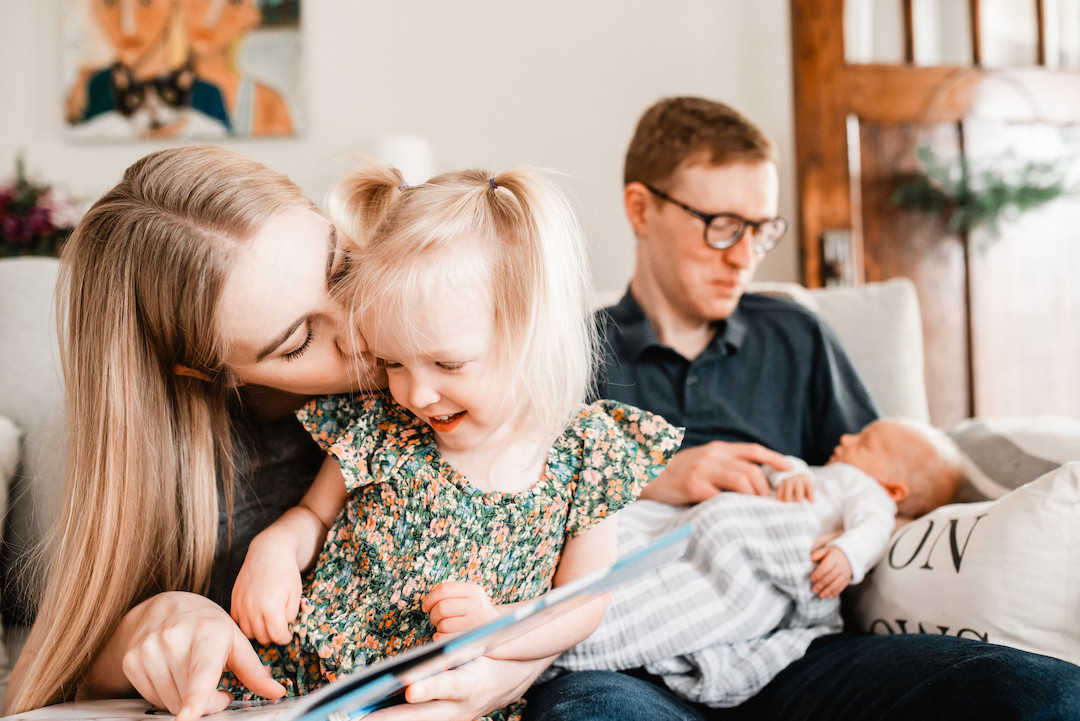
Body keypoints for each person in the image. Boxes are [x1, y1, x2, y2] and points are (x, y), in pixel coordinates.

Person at [526, 96, 1080, 720]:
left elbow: (892, 482)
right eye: (722, 225)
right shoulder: (565, 356)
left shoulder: (796, 335)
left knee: (1045, 693)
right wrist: (654, 479)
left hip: (801, 652)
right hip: (633, 661)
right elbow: (516, 525)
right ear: (641, 208)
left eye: (760, 229)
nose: (744, 255)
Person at [3, 146, 566, 721]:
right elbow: (62, 676)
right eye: (298, 341)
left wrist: (508, 670)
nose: (360, 327)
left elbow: (575, 557)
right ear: (210, 373)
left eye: (343, 268)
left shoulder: (471, 348)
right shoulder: (192, 486)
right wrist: (157, 622)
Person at [224, 164, 680, 720]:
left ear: (530, 331)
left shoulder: (585, 455)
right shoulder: (383, 423)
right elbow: (314, 518)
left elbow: (582, 603)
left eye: (448, 363)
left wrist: (499, 630)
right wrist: (274, 549)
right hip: (301, 675)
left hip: (434, 701)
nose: (416, 392)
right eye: (392, 362)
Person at [768, 417, 964, 598]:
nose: (845, 438)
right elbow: (770, 465)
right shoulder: (829, 474)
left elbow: (875, 530)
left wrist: (847, 553)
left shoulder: (870, 492)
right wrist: (792, 472)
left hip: (776, 538)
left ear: (892, 490)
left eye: (864, 444)